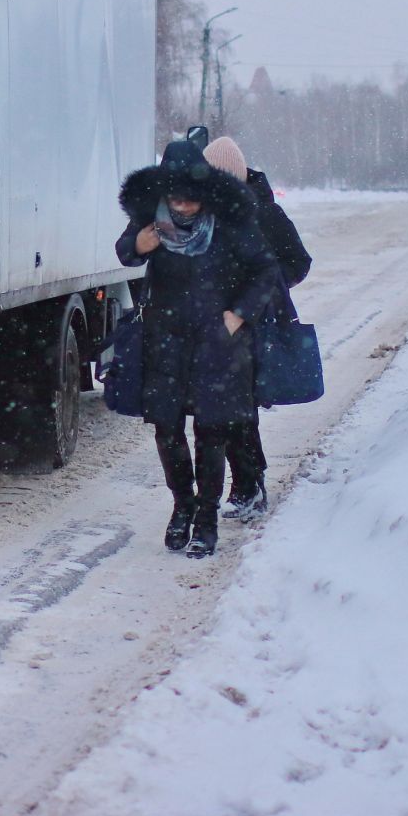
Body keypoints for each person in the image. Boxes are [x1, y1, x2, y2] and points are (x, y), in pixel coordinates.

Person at [116, 138, 281, 558]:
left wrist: (237, 315)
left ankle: (206, 520)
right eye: (175, 199)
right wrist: (140, 244)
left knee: (212, 432)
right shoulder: (152, 222)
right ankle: (182, 506)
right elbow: (125, 252)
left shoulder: (227, 221)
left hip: (217, 344)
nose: (184, 208)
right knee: (167, 430)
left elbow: (266, 269)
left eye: (191, 200)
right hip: (165, 342)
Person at [199, 136, 312, 523]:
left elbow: (298, 261)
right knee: (222, 409)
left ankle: (250, 484)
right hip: (214, 327)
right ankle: (246, 484)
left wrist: (264, 289)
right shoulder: (204, 213)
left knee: (240, 408)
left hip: (256, 325)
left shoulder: (265, 213)